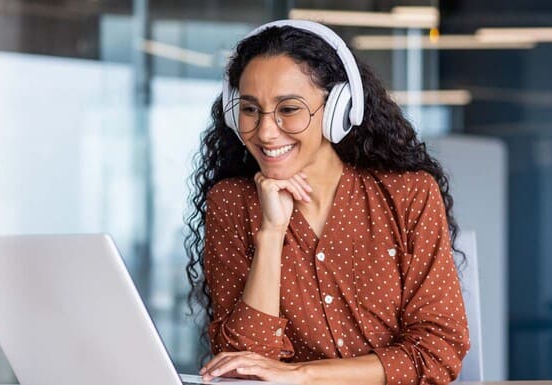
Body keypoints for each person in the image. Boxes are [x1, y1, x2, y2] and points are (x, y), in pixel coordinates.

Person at [183, 20, 470, 385]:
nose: (266, 132)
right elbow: (243, 364)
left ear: (339, 110)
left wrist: (302, 375)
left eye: (289, 109)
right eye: (250, 109)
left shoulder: (409, 194)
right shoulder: (232, 203)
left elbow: (437, 352)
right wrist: (271, 235)